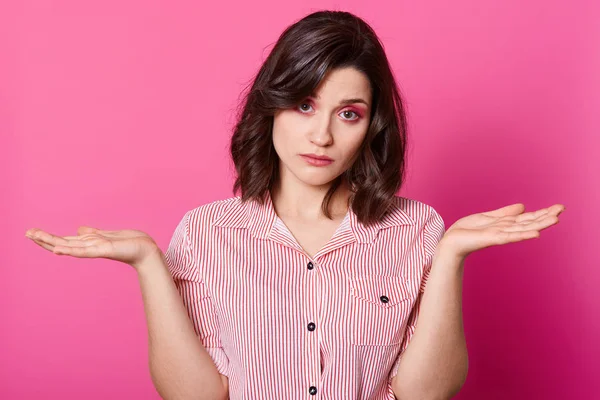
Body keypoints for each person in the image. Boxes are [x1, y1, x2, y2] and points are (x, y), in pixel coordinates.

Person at [25, 10, 565, 400]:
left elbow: (426, 394)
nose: (322, 135)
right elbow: (196, 396)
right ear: (273, 105)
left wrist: (451, 257)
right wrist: (147, 262)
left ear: (371, 126)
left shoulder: (418, 229)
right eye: (305, 104)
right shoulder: (207, 231)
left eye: (348, 112)